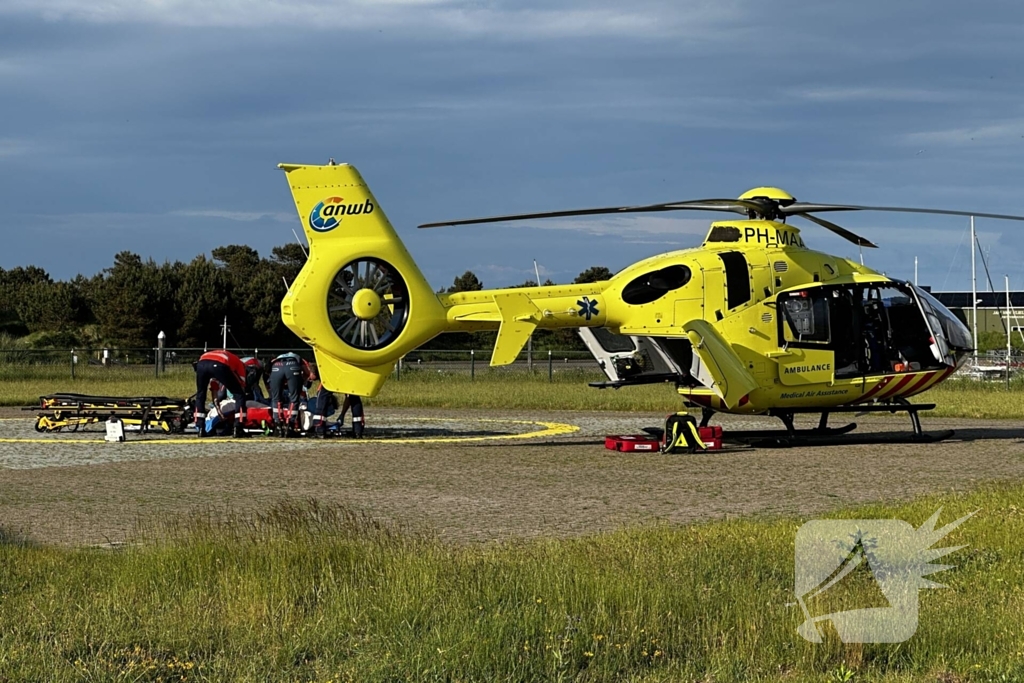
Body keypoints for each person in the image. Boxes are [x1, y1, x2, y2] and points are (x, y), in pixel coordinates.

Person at [194, 349, 249, 437]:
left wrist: (218, 409)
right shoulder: (240, 364)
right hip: (220, 363)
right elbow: (241, 387)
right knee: (240, 395)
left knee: (200, 395)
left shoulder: (225, 356)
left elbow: (214, 389)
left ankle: (200, 428)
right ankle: (238, 428)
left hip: (202, 363)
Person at [268, 351, 316, 433]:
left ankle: (278, 425)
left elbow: (268, 371)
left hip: (276, 367)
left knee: (276, 399)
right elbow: (309, 373)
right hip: (292, 367)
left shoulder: (279, 357)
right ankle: (290, 425)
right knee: (294, 399)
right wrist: (305, 381)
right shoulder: (301, 359)